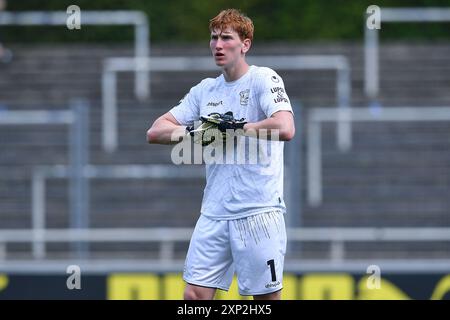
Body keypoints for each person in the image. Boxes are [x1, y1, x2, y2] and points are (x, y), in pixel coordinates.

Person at [147, 8, 295, 300]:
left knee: (265, 302)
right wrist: (198, 133)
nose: (217, 45)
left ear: (245, 44)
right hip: (213, 214)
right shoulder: (205, 90)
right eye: (214, 38)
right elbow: (155, 131)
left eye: (226, 38)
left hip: (258, 212)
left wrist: (238, 128)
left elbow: (286, 126)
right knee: (194, 297)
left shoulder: (263, 79)